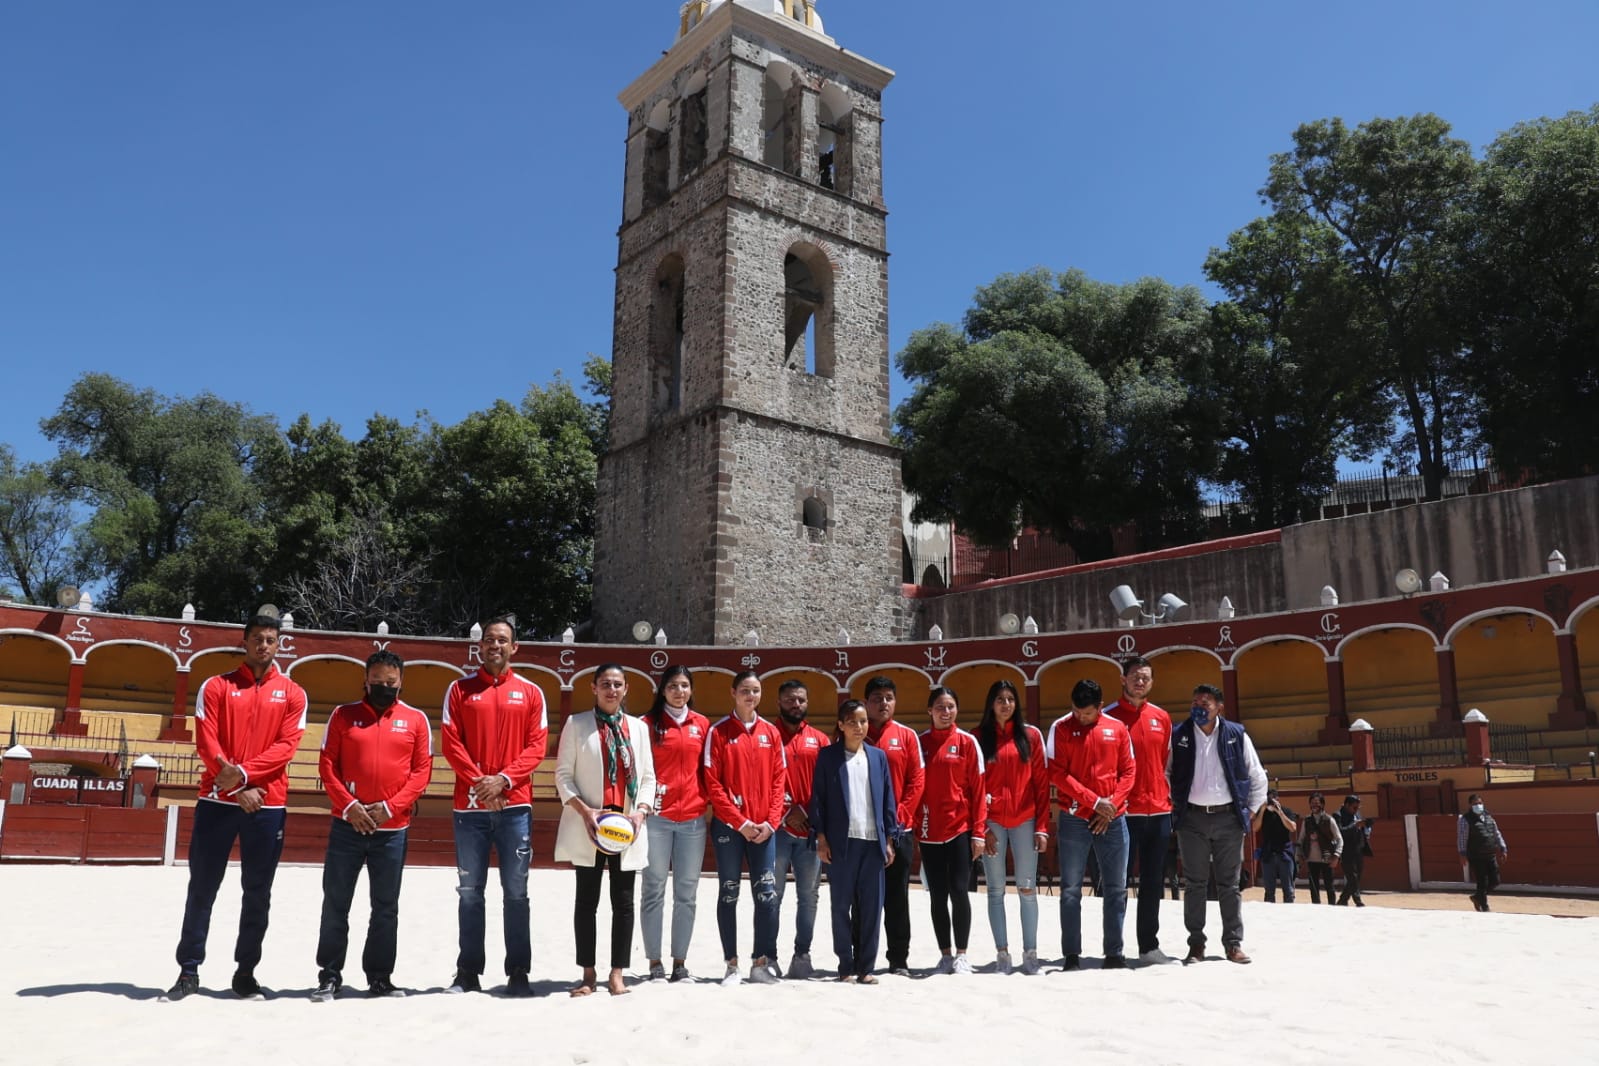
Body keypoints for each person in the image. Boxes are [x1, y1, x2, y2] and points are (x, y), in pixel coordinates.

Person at [164, 605, 308, 1002]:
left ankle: (245, 972)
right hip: (218, 801)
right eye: (257, 639)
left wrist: (242, 776)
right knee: (202, 886)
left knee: (257, 891)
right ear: (244, 642)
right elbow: (206, 741)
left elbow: (286, 747)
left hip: (267, 803)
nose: (264, 645)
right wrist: (238, 786)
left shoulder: (293, 693)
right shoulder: (216, 686)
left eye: (270, 640)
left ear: (278, 645)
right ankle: (189, 969)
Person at [311, 650, 432, 1001]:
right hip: (347, 825)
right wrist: (349, 806)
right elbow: (327, 765)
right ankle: (329, 975)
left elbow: (421, 772)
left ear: (401, 682)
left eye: (390, 682)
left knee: (385, 907)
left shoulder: (416, 719)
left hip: (392, 830)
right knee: (336, 903)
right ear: (365, 680)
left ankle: (380, 977)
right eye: (376, 680)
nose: (383, 687)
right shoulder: (343, 715)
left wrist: (390, 808)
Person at [439, 616, 549, 996]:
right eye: (489, 639)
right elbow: (451, 743)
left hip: (515, 807)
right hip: (469, 808)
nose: (495, 645)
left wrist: (502, 780)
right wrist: (481, 783)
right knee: (470, 891)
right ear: (480, 646)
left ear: (514, 647)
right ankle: (468, 972)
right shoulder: (459, 689)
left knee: (516, 892)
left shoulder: (531, 692)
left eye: (502, 640)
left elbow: (537, 746)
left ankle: (518, 971)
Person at [555, 665, 657, 996]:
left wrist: (640, 813)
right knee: (586, 901)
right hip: (591, 824)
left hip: (625, 827)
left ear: (626, 688)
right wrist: (585, 812)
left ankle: (617, 973)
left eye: (617, 684)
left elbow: (648, 777)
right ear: (594, 688)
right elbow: (562, 776)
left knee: (623, 902)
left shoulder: (638, 728)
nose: (611, 690)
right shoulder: (577, 724)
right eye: (605, 684)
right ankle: (588, 973)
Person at [1171, 683, 1267, 964]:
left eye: (1205, 703)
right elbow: (1165, 772)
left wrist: (1251, 809)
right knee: (1194, 883)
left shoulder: (1236, 734)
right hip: (1191, 818)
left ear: (1219, 708)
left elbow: (1257, 775)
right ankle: (1196, 944)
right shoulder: (1178, 734)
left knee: (1230, 884)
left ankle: (1233, 944)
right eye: (1195, 702)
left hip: (1228, 818)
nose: (1198, 707)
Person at [703, 670, 787, 986]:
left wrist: (771, 822)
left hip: (764, 830)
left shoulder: (771, 733)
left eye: (755, 691)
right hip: (730, 829)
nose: (751, 696)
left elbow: (779, 780)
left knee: (766, 894)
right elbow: (713, 783)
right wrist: (740, 822)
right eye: (745, 690)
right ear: (733, 693)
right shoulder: (718, 732)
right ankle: (731, 965)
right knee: (729, 892)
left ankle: (760, 964)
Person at [1045, 678, 1134, 970]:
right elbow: (1057, 774)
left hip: (1113, 818)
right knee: (1071, 888)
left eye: (1087, 713)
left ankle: (1114, 953)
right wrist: (1095, 802)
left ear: (1100, 706)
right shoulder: (1061, 727)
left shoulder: (1117, 728)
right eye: (1076, 711)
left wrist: (1110, 806)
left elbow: (1128, 771)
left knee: (1116, 887)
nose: (1080, 717)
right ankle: (1072, 954)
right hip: (1075, 818)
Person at [810, 700, 900, 983]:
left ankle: (866, 968)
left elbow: (888, 799)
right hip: (841, 843)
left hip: (873, 842)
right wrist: (821, 838)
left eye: (863, 721)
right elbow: (818, 800)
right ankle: (845, 966)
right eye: (852, 721)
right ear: (841, 725)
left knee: (872, 907)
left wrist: (889, 839)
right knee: (841, 906)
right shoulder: (828, 757)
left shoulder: (878, 757)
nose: (858, 727)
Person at [639, 665, 709, 982]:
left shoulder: (702, 725)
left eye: (684, 686)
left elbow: (708, 770)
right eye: (672, 686)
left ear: (691, 690)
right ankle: (655, 962)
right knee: (653, 889)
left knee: (687, 892)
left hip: (692, 819)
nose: (679, 692)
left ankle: (680, 962)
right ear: (662, 690)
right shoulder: (646, 724)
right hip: (657, 819)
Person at [1104, 656, 1175, 963]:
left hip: (1158, 811)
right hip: (1122, 813)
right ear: (1123, 679)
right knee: (1117, 884)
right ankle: (1114, 949)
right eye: (1135, 676)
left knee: (1152, 882)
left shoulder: (1162, 717)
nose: (1140, 681)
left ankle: (1148, 947)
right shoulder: (1108, 717)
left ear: (1152, 682)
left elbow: (1166, 763)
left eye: (1145, 677)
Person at [975, 679, 1048, 975]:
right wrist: (982, 828)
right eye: (1000, 699)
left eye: (1010, 699)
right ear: (991, 704)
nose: (1005, 704)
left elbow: (1041, 785)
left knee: (1027, 889)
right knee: (995, 890)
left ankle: (1030, 954)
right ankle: (1002, 954)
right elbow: (973, 787)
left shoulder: (1031, 736)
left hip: (1025, 821)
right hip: (992, 823)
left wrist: (1042, 827)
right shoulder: (978, 737)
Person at [917, 686, 987, 974]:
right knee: (937, 895)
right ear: (929, 710)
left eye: (950, 707)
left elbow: (979, 790)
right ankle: (944, 955)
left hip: (960, 829)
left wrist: (979, 832)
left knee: (959, 891)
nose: (946, 712)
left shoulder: (967, 742)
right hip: (928, 830)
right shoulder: (920, 743)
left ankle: (961, 955)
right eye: (940, 707)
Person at [863, 675, 924, 976]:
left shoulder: (907, 736)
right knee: (863, 897)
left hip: (899, 830)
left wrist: (899, 815)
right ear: (866, 703)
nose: (883, 703)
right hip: (863, 831)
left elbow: (917, 780)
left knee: (897, 897)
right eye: (877, 698)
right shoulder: (854, 734)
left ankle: (898, 959)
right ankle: (862, 958)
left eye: (888, 697)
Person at [772, 679, 828, 979]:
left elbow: (828, 784)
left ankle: (802, 954)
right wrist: (784, 813)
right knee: (771, 894)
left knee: (809, 895)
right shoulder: (767, 736)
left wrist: (805, 810)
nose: (796, 705)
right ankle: (768, 955)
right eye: (790, 699)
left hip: (810, 829)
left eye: (801, 700)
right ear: (779, 702)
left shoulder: (820, 740)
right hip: (776, 830)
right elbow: (760, 781)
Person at [1457, 793, 1508, 912]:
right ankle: (1484, 906)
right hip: (1476, 855)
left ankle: (1477, 897)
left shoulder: (1489, 817)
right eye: (1475, 804)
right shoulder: (1465, 819)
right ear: (1470, 805)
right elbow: (1462, 838)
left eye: (1480, 803)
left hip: (1490, 854)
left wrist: (1503, 848)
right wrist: (1462, 854)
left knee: (1495, 881)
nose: (1478, 805)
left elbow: (1496, 833)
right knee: (1482, 881)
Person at [1297, 791, 1342, 905]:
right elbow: (1301, 839)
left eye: (1317, 803)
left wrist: (1336, 856)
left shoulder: (1329, 820)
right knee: (1313, 888)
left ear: (1322, 804)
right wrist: (1299, 855)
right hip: (1311, 859)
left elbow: (1339, 839)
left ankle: (1332, 908)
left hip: (1327, 857)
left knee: (1329, 886)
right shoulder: (1307, 821)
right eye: (1312, 803)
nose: (1314, 805)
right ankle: (1316, 909)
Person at [1254, 788, 1298, 904]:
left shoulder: (1286, 811)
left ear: (1278, 799)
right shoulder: (1263, 813)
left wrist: (1279, 812)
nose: (1270, 802)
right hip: (1268, 854)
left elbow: (1293, 828)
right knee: (1269, 892)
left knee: (1288, 890)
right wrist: (1262, 810)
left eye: (1273, 798)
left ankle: (1290, 911)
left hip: (1284, 853)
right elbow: (1254, 828)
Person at [1335, 794, 1373, 907]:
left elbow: (1362, 828)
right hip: (1346, 850)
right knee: (1352, 877)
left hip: (1358, 848)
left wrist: (1366, 825)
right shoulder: (1337, 815)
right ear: (1347, 805)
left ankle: (1343, 900)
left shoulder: (1356, 814)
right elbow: (1340, 832)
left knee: (1357, 876)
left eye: (1358, 807)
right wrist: (1355, 825)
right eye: (1354, 807)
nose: (1356, 810)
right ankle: (1357, 900)